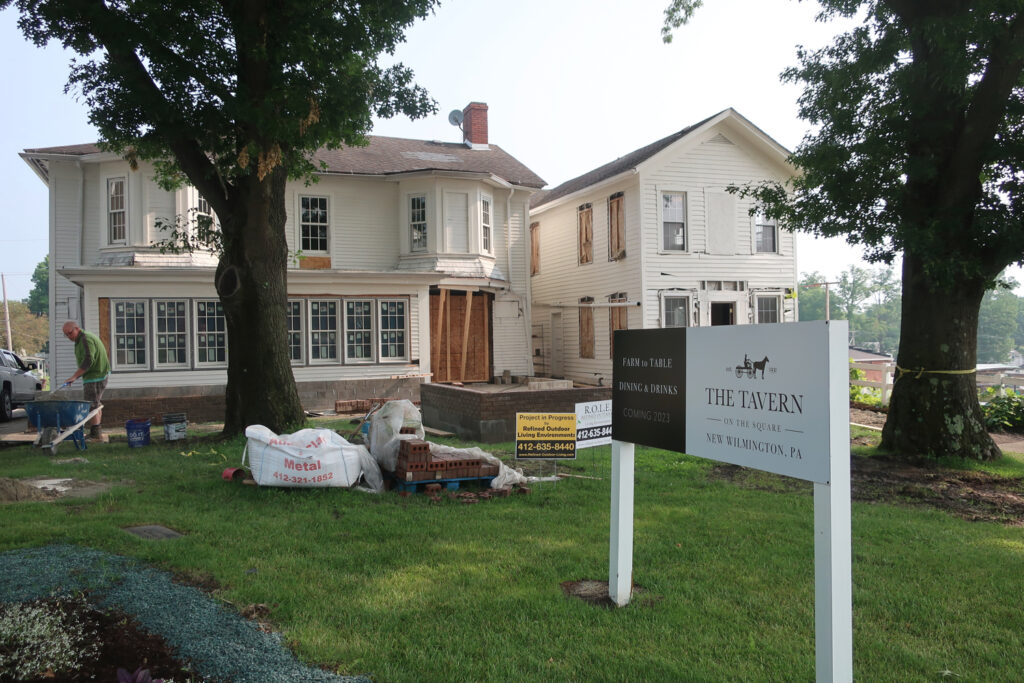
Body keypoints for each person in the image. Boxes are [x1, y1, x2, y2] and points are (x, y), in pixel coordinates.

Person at [62, 321, 111, 441]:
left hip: (95, 376)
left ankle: (96, 435)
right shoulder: (80, 339)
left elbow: (89, 360)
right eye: (66, 335)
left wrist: (74, 376)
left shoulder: (85, 339)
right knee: (95, 404)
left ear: (77, 329)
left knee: (91, 405)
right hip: (95, 375)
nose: (69, 337)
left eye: (70, 333)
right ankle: (96, 432)